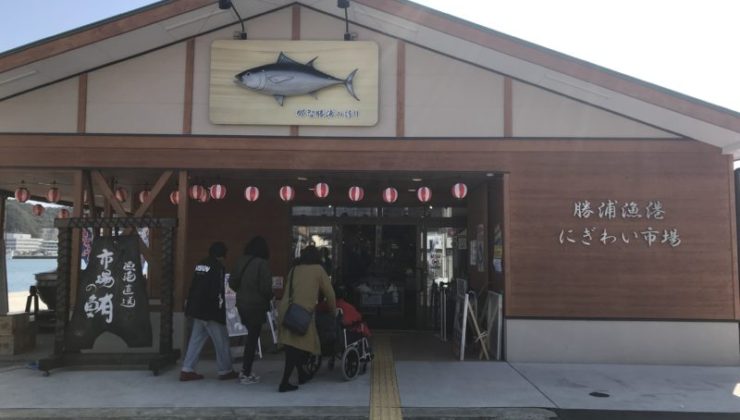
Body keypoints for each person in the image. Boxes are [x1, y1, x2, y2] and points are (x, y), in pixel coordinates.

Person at [277, 245, 336, 392]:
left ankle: (302, 374)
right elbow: (330, 294)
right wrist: (333, 311)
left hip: (287, 310)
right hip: (301, 314)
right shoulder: (318, 270)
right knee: (296, 348)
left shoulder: (294, 269)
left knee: (293, 345)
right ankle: (284, 382)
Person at [180, 242, 237, 381]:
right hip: (210, 310)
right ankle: (225, 370)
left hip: (197, 308)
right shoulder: (218, 267)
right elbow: (217, 290)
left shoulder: (200, 264)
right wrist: (219, 310)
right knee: (221, 341)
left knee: (195, 340)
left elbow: (194, 285)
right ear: (222, 254)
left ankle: (187, 369)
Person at [230, 235, 273, 385]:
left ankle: (246, 370)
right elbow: (266, 287)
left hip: (242, 304)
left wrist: (242, 292)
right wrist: (270, 296)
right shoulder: (262, 264)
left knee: (250, 336)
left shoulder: (241, 261)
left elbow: (232, 282)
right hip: (257, 305)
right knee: (252, 339)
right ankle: (246, 372)